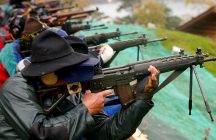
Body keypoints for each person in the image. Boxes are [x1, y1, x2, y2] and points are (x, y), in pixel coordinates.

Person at [0, 30, 160, 140]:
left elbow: (109, 134)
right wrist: (86, 109)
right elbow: (41, 134)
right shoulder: (16, 89)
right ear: (50, 76)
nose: (77, 75)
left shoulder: (69, 90)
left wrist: (142, 98)